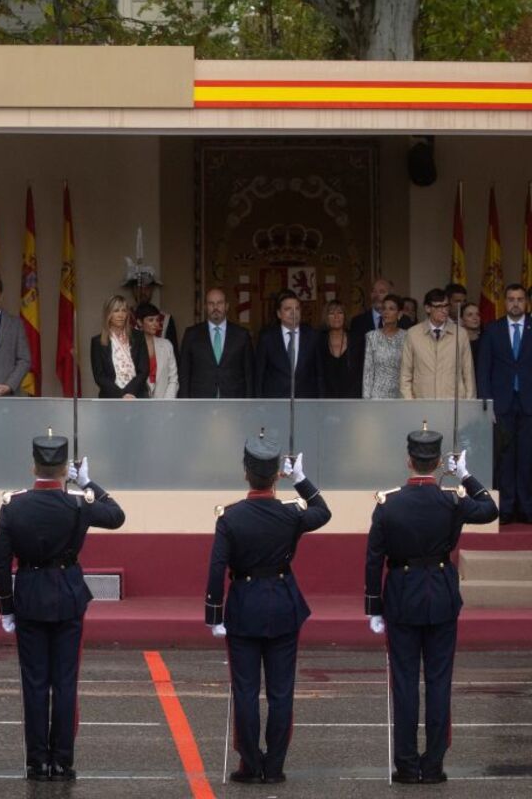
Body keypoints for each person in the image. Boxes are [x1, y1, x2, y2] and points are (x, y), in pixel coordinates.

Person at [365, 428, 497, 783]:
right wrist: (466, 476)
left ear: (409, 461)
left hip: (402, 597)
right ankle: (434, 764)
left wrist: (373, 607)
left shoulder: (389, 504)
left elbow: (374, 559)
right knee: (439, 683)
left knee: (405, 683)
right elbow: (489, 509)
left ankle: (407, 766)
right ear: (439, 463)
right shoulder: (451, 500)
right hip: (439, 595)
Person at [0, 435, 125, 780]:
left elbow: (1, 558)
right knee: (65, 683)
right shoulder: (79, 502)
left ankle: (37, 761)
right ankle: (62, 761)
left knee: (35, 683)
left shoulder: (13, 505)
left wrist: (5, 607)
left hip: (30, 596)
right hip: (67, 594)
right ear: (64, 469)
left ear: (33, 466)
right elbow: (116, 516)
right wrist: (86, 481)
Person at [205, 433, 330, 784]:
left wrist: (214, 613)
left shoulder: (230, 518)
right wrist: (301, 479)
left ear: (246, 473)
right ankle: (274, 766)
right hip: (282, 602)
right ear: (277, 475)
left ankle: (250, 764)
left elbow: (217, 567)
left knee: (245, 691)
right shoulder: (290, 514)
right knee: (280, 691)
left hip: (244, 605)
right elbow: (323, 511)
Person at [477, 284, 532, 525]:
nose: (516, 303)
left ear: (526, 302)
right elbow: (483, 370)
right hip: (502, 405)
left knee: (527, 457)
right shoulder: (493, 329)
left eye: (520, 299)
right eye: (511, 299)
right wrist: (487, 404)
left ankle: (527, 507)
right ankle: (507, 508)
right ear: (505, 302)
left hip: (529, 404)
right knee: (506, 458)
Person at [400, 288, 475, 400]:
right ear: (428, 308)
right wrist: (410, 404)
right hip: (423, 403)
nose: (444, 311)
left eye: (446, 306)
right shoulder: (413, 334)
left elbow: (468, 373)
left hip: (453, 405)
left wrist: (469, 404)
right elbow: (405, 375)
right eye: (439, 307)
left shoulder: (460, 334)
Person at [178, 287, 255, 398]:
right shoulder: (191, 334)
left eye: (219, 303)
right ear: (205, 307)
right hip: (200, 399)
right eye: (211, 303)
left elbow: (249, 374)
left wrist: (249, 404)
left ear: (226, 306)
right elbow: (184, 372)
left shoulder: (242, 335)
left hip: (234, 399)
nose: (215, 307)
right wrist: (184, 402)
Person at [255, 290, 321, 398]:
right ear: (279, 314)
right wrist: (259, 404)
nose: (293, 312)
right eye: (287, 309)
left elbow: (320, 374)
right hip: (275, 402)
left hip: (306, 401)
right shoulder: (267, 338)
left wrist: (320, 404)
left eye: (297, 308)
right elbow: (259, 375)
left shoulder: (313, 336)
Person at [90, 294, 149, 399]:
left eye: (124, 310)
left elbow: (144, 370)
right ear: (108, 314)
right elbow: (99, 376)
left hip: (137, 396)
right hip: (110, 398)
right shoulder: (97, 342)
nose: (121, 315)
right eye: (116, 311)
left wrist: (129, 393)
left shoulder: (138, 337)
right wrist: (121, 395)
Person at [362, 293, 408, 399]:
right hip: (377, 396)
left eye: (391, 309)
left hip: (400, 395)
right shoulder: (371, 336)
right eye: (384, 308)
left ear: (399, 313)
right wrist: (366, 401)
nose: (386, 312)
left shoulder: (407, 337)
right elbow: (368, 372)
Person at [123, 263, 178, 350]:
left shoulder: (165, 320)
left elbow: (173, 354)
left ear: (152, 289)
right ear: (133, 290)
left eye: (147, 288)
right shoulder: (123, 317)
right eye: (138, 288)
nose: (142, 292)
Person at [137, 302, 179, 398]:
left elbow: (173, 378)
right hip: (138, 404)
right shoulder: (131, 346)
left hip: (163, 403)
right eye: (151, 320)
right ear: (139, 322)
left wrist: (166, 403)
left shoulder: (166, 345)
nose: (155, 324)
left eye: (157, 320)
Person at [318, 299, 355, 398]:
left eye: (340, 313)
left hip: (351, 399)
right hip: (326, 399)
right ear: (326, 317)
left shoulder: (356, 340)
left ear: (345, 316)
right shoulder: (318, 341)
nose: (336, 317)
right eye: (331, 313)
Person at [459, 301, 482, 378]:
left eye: (477, 314)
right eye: (470, 315)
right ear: (461, 320)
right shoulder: (456, 342)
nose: (475, 318)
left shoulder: (486, 341)